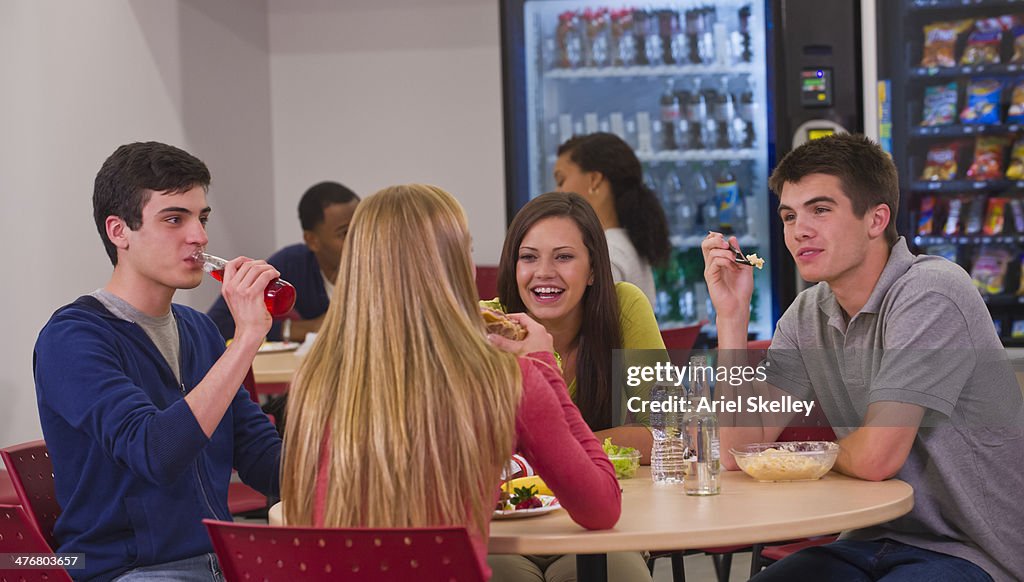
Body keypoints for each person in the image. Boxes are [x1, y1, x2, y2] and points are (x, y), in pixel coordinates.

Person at [702, 133, 1024, 581]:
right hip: (865, 540)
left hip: (969, 552)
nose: (799, 230)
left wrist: (786, 456)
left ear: (876, 219)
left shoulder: (932, 291)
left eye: (821, 210)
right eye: (789, 215)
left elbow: (877, 458)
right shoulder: (807, 312)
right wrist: (732, 318)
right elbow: (737, 450)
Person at [280, 184, 621, 580]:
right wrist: (544, 366)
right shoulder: (508, 379)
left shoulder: (314, 381)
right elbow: (601, 508)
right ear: (455, 267)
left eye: (563, 257)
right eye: (468, 251)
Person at [33, 142, 283, 582]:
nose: (200, 237)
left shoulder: (199, 331)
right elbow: (154, 452)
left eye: (201, 218)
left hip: (223, 560)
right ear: (119, 231)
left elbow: (260, 454)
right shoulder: (72, 338)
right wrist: (246, 340)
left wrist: (355, 477)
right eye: (174, 219)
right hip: (126, 570)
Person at [485, 191, 665, 582]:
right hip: (506, 530)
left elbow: (668, 433)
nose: (543, 272)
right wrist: (591, 454)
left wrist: (553, 454)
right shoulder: (487, 324)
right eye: (528, 257)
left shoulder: (624, 307)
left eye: (563, 257)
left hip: (608, 528)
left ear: (594, 270)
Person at [206, 181, 359, 342]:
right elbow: (217, 324)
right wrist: (303, 328)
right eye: (345, 233)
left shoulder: (381, 263)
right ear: (312, 241)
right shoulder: (294, 263)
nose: (359, 239)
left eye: (362, 228)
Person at [555, 132, 671, 306]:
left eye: (561, 180)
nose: (557, 192)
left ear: (594, 179)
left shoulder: (606, 253)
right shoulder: (624, 242)